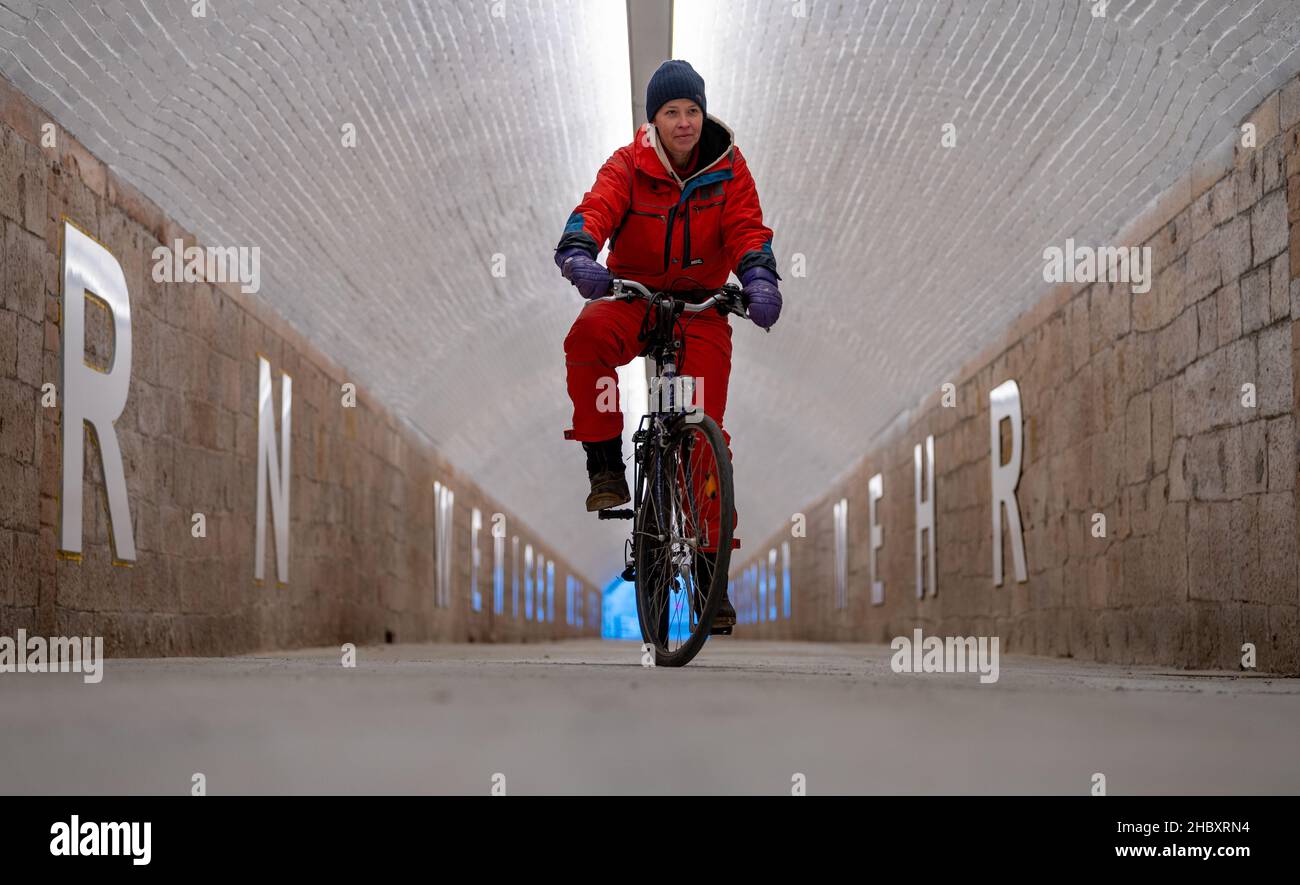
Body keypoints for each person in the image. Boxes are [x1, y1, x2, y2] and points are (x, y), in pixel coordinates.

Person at [554, 60, 782, 628]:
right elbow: (596, 208)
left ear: (704, 114)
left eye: (693, 111)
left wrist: (758, 278)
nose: (685, 122)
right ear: (654, 120)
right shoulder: (628, 165)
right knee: (588, 337)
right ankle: (605, 463)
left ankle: (711, 580)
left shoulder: (729, 170)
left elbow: (747, 229)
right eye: (672, 112)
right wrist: (582, 251)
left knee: (707, 435)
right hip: (633, 296)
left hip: (701, 309)